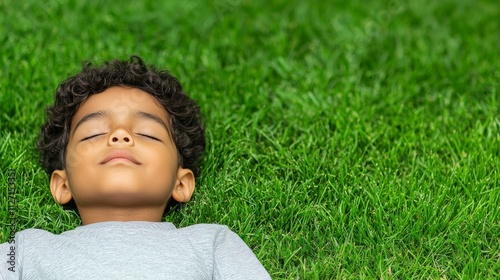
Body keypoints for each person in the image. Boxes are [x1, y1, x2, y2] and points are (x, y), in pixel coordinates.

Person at [0, 56, 271, 279]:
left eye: (148, 133)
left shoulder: (211, 243)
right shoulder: (26, 251)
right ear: (62, 184)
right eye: (93, 133)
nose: (120, 135)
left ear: (181, 183)